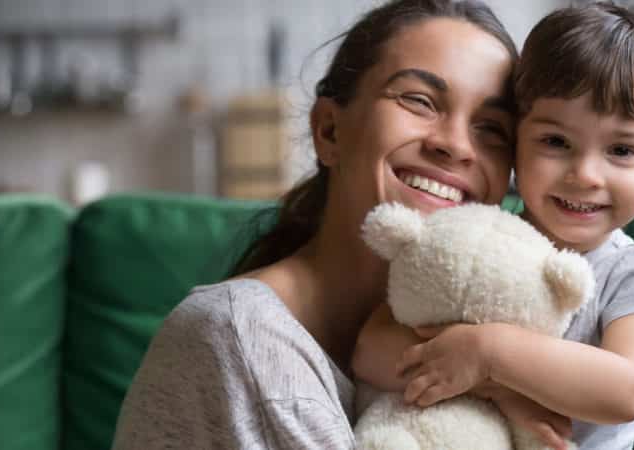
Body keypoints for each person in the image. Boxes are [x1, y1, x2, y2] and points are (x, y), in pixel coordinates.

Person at [111, 1, 520, 448]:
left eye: (493, 129)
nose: (457, 146)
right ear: (329, 130)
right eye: (419, 100)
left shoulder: (487, 345)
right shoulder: (242, 335)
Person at [351, 3, 634, 449]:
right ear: (515, 140)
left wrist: (490, 353)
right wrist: (497, 391)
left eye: (621, 150)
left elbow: (628, 389)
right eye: (556, 142)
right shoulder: (474, 240)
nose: (586, 175)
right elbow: (370, 349)